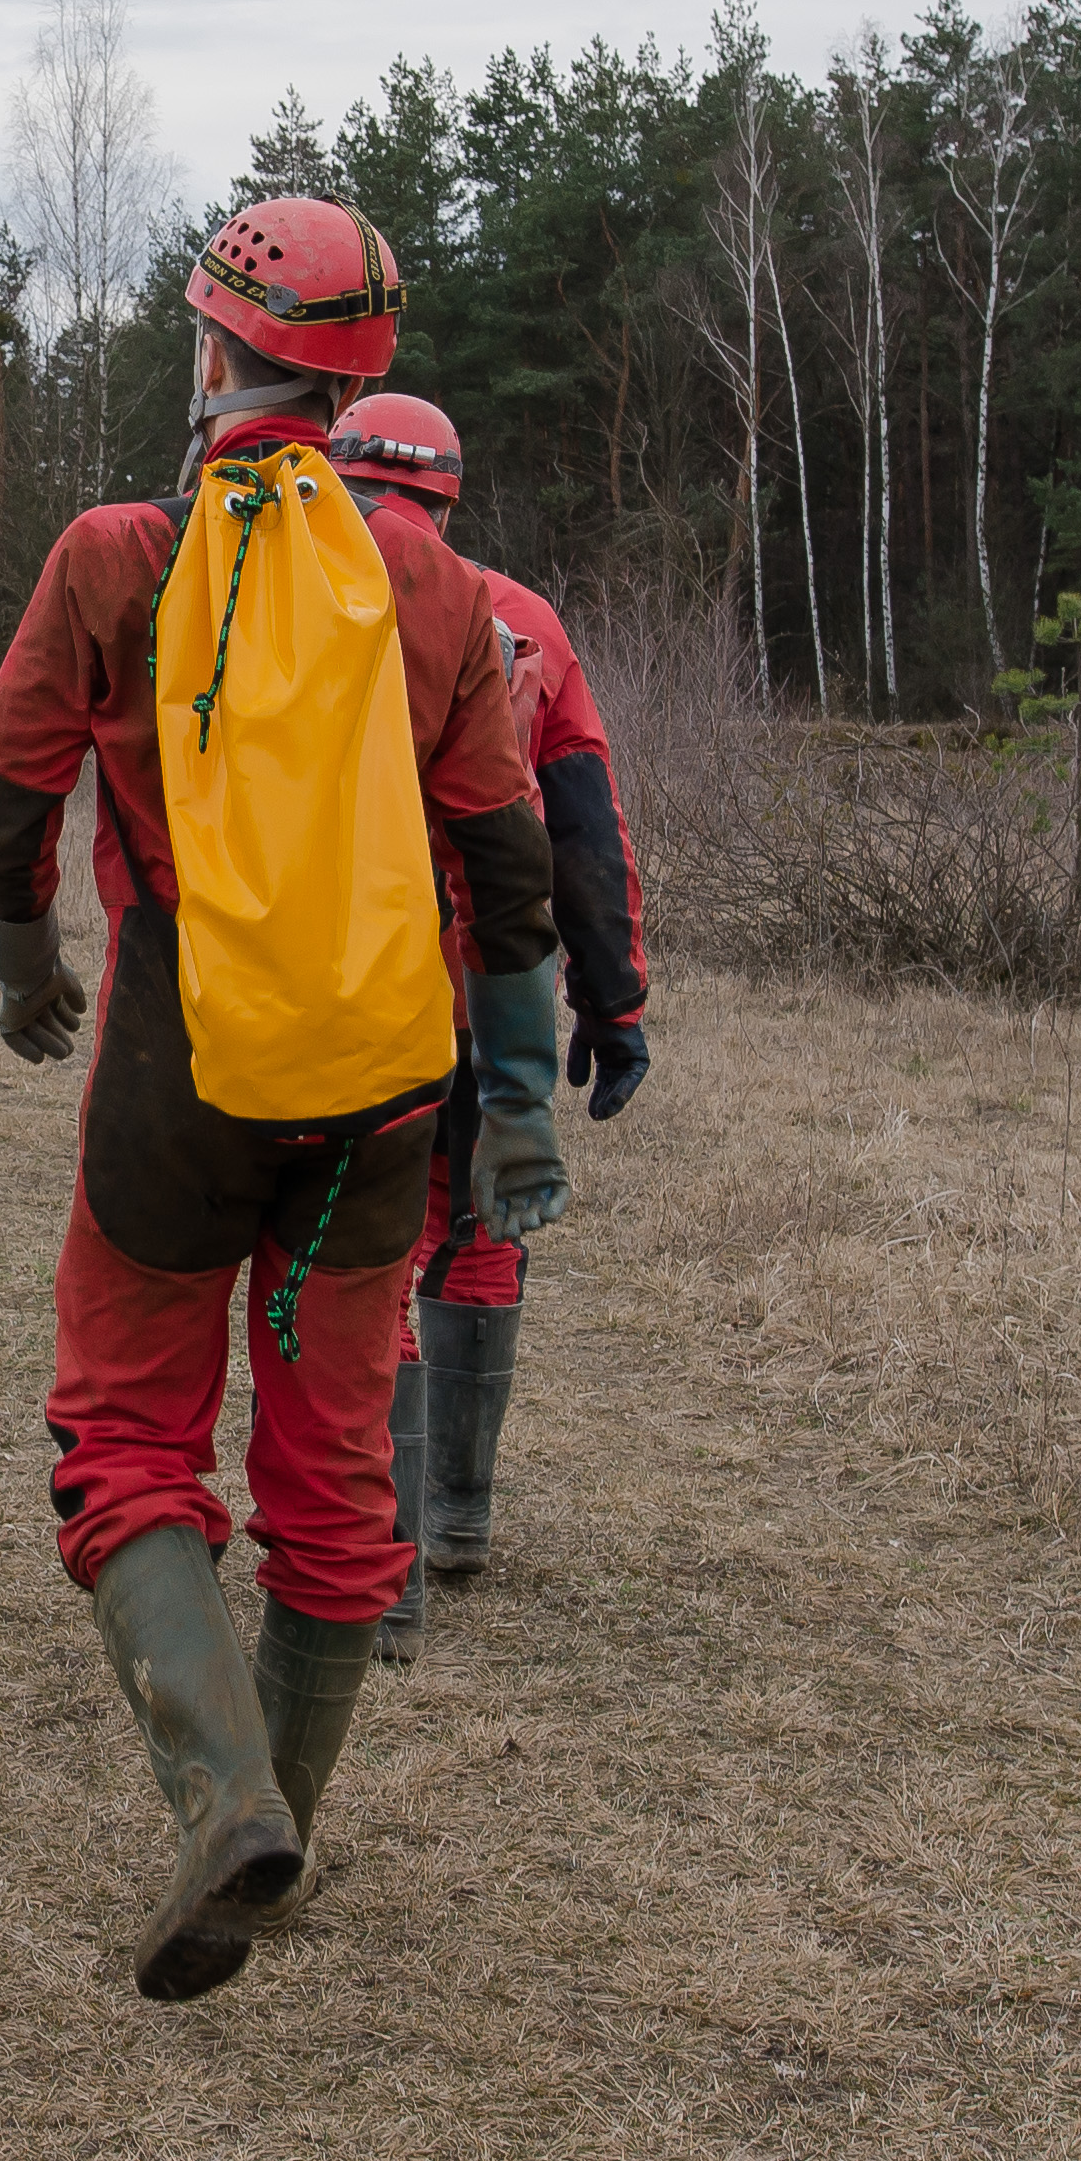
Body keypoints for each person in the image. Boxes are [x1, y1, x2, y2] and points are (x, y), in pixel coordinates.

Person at [0, 196, 564, 2002]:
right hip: (383, 1096)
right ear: (367, 371)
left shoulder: (111, 558)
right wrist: (514, 1094)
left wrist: (24, 976)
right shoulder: (444, 588)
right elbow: (509, 866)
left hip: (174, 1069)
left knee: (125, 1438)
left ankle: (226, 1808)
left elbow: (3, 806)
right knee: (329, 1480)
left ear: (210, 351)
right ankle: (270, 1830)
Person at [326, 393, 651, 1661]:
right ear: (453, 492)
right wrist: (612, 999)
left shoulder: (300, 599)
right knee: (484, 1220)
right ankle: (457, 1517)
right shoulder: (528, 621)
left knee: (376, 1251)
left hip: (351, 987)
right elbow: (580, 826)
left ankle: (383, 1574)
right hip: (494, 984)